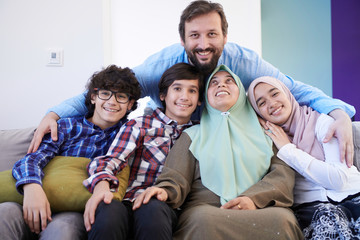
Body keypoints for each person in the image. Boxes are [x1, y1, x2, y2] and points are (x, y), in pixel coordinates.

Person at [29, 0, 355, 168]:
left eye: (212, 34)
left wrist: (339, 112)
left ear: (224, 36)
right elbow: (114, 87)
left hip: (227, 141)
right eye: (195, 35)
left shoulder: (245, 61)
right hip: (177, 145)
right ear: (183, 39)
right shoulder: (160, 67)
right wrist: (55, 113)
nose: (203, 43)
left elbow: (294, 89)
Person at [133, 65, 304, 240]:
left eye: (229, 81)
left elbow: (282, 175)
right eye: (214, 83)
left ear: (241, 93)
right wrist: (164, 190)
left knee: (282, 220)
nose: (221, 85)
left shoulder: (268, 132)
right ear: (206, 96)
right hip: (208, 209)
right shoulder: (192, 135)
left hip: (261, 207)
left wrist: (252, 199)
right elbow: (176, 176)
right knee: (203, 220)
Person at [0, 65, 141, 240]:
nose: (112, 101)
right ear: (93, 97)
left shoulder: (128, 135)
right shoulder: (67, 126)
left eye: (121, 96)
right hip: (36, 195)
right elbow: (33, 159)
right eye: (105, 93)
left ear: (130, 105)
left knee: (62, 229)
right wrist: (32, 187)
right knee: (4, 212)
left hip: (73, 210)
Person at [82, 63, 204, 240]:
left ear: (199, 99)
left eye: (192, 91)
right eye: (177, 88)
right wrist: (101, 186)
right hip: (128, 199)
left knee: (152, 210)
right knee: (108, 211)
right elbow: (112, 159)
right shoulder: (141, 124)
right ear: (162, 95)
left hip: (164, 205)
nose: (184, 97)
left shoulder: (200, 132)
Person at [247, 76, 360, 239]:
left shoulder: (321, 122)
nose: (272, 104)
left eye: (275, 94)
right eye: (261, 103)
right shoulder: (268, 140)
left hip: (354, 196)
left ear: (287, 94)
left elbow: (338, 179)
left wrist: (288, 149)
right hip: (311, 210)